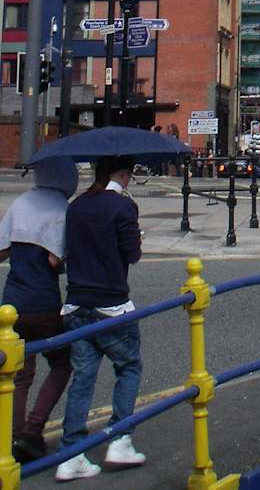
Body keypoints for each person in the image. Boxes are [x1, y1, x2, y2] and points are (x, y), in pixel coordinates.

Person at [55, 157, 146, 480]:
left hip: (77, 303)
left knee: (83, 377)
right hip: (111, 304)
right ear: (121, 173)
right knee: (129, 367)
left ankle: (71, 453)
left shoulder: (76, 206)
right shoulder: (123, 207)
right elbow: (132, 254)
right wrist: (137, 237)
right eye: (129, 174)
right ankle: (120, 439)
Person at [0, 159, 77, 464]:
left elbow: (2, 250)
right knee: (62, 362)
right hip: (43, 301)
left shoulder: (21, 203)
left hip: (12, 302)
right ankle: (33, 430)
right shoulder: (62, 210)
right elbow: (54, 261)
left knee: (20, 372)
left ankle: (13, 435)